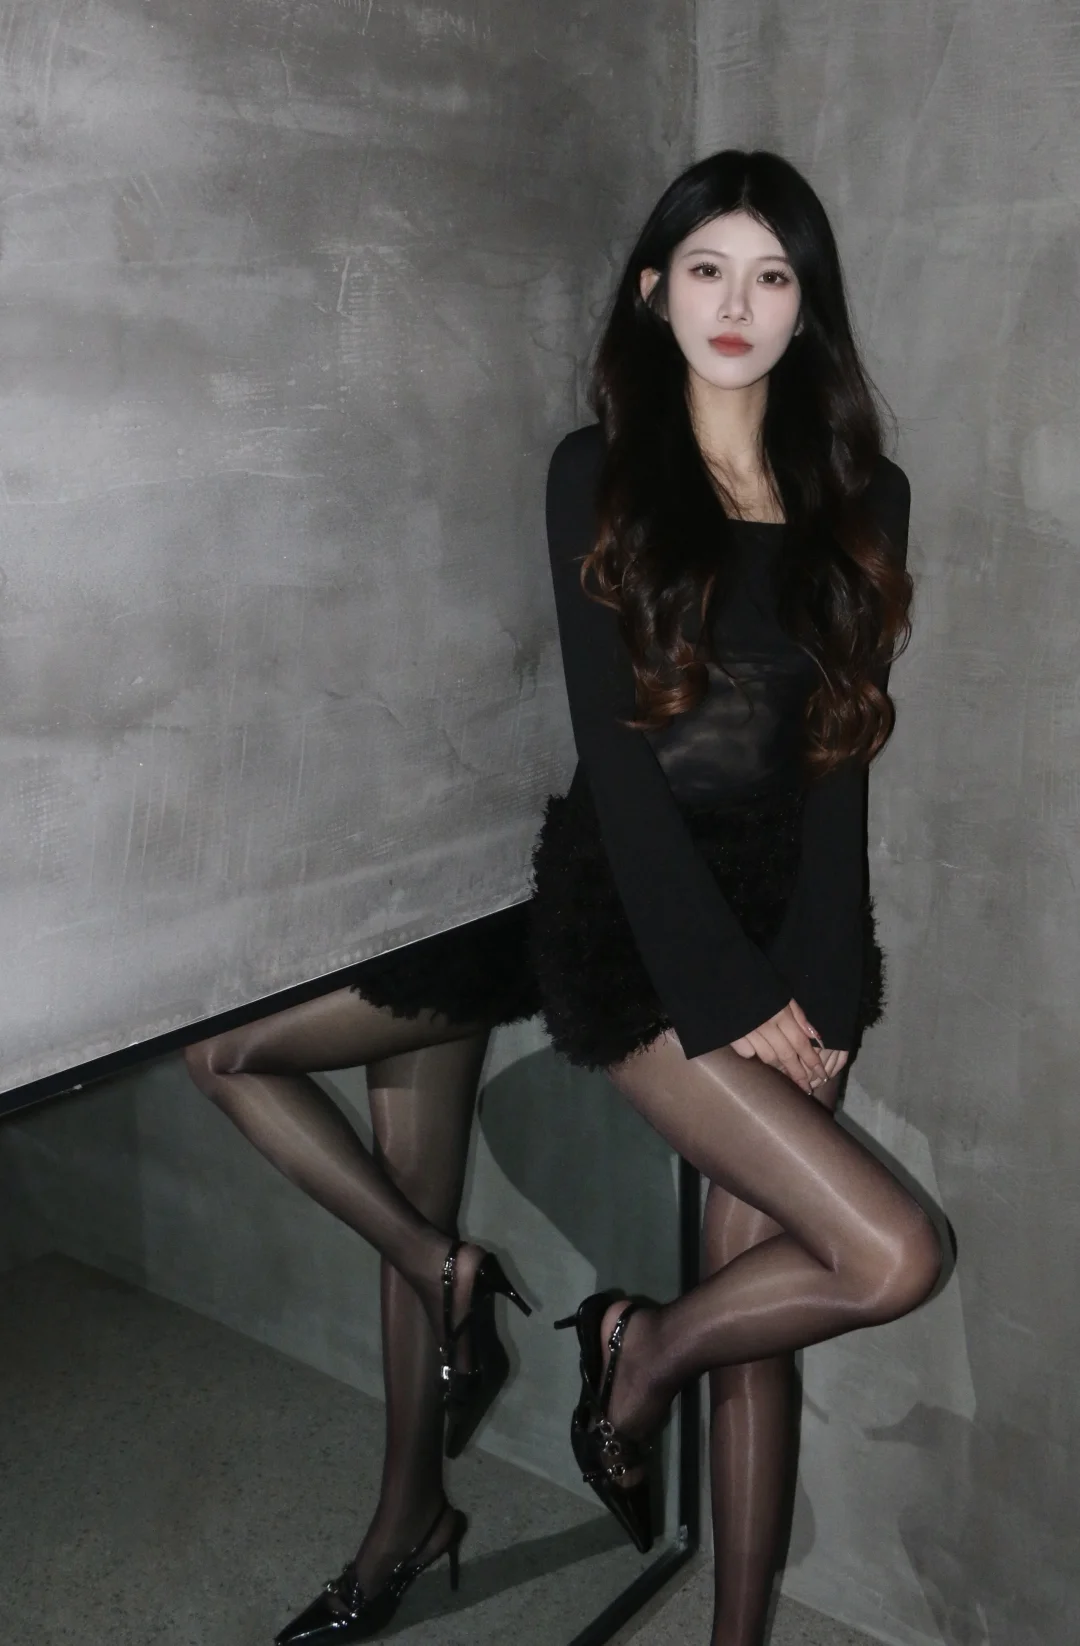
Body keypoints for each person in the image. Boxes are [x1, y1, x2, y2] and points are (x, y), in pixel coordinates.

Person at [528, 149, 943, 1646]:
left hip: (790, 918)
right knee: (888, 1252)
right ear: (655, 289)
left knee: (763, 1318)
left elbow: (840, 767)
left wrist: (822, 993)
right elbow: (618, 768)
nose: (737, 303)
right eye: (708, 268)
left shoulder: (865, 497)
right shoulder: (597, 472)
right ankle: (641, 1356)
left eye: (774, 277)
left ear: (805, 311)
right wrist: (731, 995)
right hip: (640, 926)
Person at [183, 908, 537, 1644]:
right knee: (410, 1208)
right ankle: (412, 1514)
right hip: (416, 913)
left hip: (476, 912)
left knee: (217, 1057)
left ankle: (443, 1272)